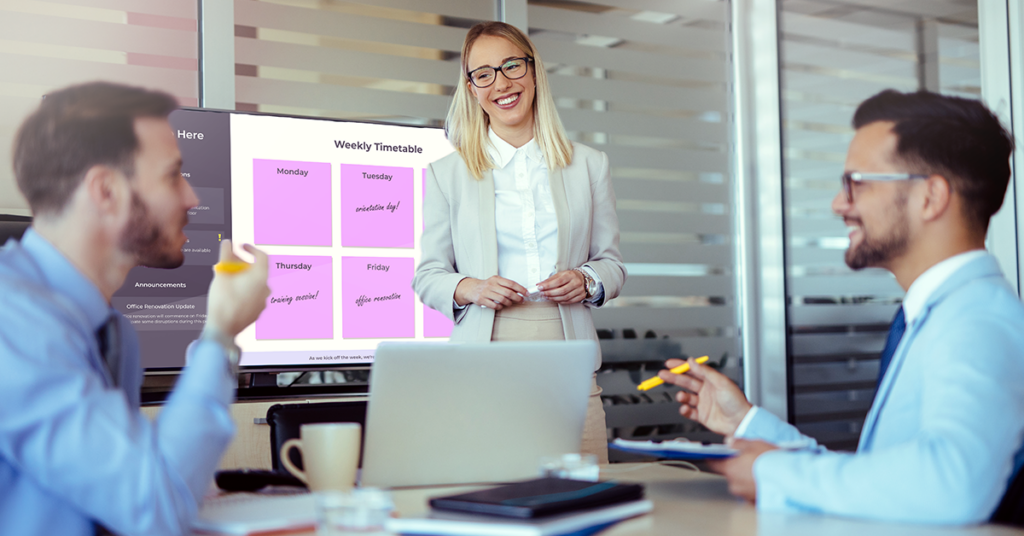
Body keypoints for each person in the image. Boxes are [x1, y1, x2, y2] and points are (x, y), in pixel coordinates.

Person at [659, 89, 1024, 524]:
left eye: (857, 183)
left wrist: (773, 471)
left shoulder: (978, 318)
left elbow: (952, 483)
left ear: (930, 197)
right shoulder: (935, 314)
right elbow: (879, 472)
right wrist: (748, 423)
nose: (839, 204)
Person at [0, 82, 271, 535]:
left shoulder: (110, 331)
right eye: (172, 176)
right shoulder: (13, 323)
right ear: (105, 190)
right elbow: (153, 508)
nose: (193, 199)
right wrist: (220, 335)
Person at [412, 21, 626, 462]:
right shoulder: (446, 174)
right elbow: (428, 276)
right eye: (484, 73)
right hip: (484, 358)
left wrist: (587, 280)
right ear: (471, 89)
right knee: (493, 497)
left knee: (583, 501)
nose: (502, 83)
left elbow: (612, 264)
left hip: (569, 357)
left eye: (511, 66)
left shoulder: (589, 165)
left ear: (533, 73)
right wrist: (471, 287)